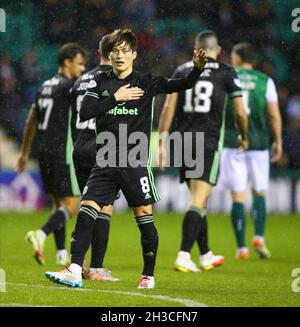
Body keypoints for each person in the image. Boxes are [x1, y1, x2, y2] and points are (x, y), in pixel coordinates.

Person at [44, 28, 207, 289]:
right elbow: (86, 111)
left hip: (134, 160)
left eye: (124, 51)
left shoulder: (146, 81)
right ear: (108, 54)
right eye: (115, 51)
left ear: (134, 54)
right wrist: (115, 97)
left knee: (144, 218)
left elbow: (181, 84)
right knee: (87, 209)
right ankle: (75, 269)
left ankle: (148, 275)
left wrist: (197, 69)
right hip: (105, 160)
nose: (119, 55)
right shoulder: (100, 82)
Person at [157, 31, 248, 272]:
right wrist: (244, 135)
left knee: (200, 201)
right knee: (197, 201)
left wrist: (161, 140)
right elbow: (240, 111)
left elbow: (168, 106)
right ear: (217, 50)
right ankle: (184, 255)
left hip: (184, 139)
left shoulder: (181, 70)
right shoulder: (226, 71)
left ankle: (206, 254)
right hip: (207, 141)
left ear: (196, 49)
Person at [16, 43, 86, 266]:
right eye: (80, 63)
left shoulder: (45, 86)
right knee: (72, 206)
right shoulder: (69, 87)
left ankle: (61, 254)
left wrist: (25, 153)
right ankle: (41, 234)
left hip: (43, 151)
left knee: (59, 205)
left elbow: (31, 120)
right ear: (67, 62)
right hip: (61, 151)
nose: (83, 69)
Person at [218, 42, 282, 259]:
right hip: (258, 142)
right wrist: (279, 141)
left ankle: (241, 248)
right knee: (260, 191)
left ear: (236, 57)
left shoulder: (227, 76)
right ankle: (259, 237)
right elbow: (273, 115)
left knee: (238, 196)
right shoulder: (265, 81)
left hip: (232, 142)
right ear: (253, 59)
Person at [71, 34, 118, 281]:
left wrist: (78, 143)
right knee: (103, 208)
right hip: (102, 147)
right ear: (113, 53)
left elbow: (74, 117)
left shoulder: (80, 80)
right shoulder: (112, 79)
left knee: (86, 205)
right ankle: (96, 269)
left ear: (98, 52)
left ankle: (79, 264)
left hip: (80, 147)